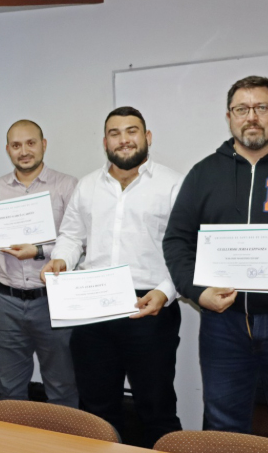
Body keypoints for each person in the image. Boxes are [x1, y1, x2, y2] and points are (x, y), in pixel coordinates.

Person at [163, 76, 268, 449]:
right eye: (241, 109)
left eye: (262, 107)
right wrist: (198, 291)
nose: (252, 117)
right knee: (222, 429)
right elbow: (177, 240)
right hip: (223, 325)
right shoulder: (203, 173)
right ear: (229, 116)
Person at [42, 107, 183, 447]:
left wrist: (165, 292)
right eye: (115, 133)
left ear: (147, 137)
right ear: (105, 142)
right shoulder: (88, 185)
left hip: (149, 306)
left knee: (157, 409)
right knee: (97, 410)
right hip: (93, 311)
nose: (124, 139)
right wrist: (61, 259)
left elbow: (186, 248)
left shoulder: (173, 185)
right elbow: (72, 235)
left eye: (131, 131)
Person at [0, 120, 78, 407]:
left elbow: (78, 241)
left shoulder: (67, 186)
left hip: (53, 301)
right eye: (16, 145)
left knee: (62, 388)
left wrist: (38, 250)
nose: (24, 151)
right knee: (10, 391)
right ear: (8, 150)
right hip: (6, 303)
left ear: (43, 145)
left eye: (31, 143)